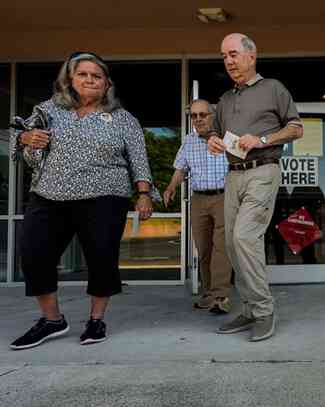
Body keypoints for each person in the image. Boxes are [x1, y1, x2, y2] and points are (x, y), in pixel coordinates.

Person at [9, 51, 157, 350]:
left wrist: (143, 194)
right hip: (49, 194)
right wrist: (26, 139)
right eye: (83, 74)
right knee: (34, 253)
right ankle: (52, 320)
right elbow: (20, 137)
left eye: (97, 76)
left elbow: (139, 159)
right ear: (70, 79)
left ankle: (96, 320)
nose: (90, 79)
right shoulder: (48, 110)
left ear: (107, 83)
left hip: (105, 196)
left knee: (101, 258)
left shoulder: (122, 119)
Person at [207, 33, 303, 341]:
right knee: (233, 245)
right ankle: (249, 308)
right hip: (233, 174)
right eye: (224, 56)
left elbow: (296, 128)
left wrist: (262, 139)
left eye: (233, 54)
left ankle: (263, 310)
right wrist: (213, 141)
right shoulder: (224, 99)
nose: (228, 61)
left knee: (244, 238)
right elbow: (218, 135)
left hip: (263, 170)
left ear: (251, 56)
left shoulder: (273, 88)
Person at [164, 99, 233, 314]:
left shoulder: (227, 138)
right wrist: (171, 187)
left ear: (212, 115)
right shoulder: (189, 140)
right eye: (194, 115)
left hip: (223, 197)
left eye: (203, 114)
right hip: (199, 200)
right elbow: (180, 169)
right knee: (204, 250)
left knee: (221, 248)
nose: (198, 119)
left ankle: (220, 297)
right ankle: (208, 294)